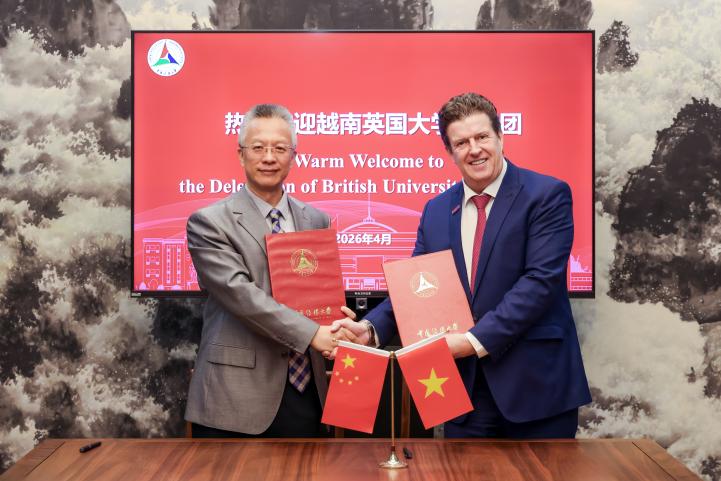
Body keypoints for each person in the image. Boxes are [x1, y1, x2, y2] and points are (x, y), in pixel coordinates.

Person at [333, 93, 591, 438]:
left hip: (535, 386)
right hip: (462, 389)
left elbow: (540, 283)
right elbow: (416, 287)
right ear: (449, 151)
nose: (475, 150)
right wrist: (369, 329)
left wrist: (471, 341)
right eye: (461, 143)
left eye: (482, 137)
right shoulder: (437, 209)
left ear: (500, 137)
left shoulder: (546, 195)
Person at [185, 103, 356, 437]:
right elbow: (241, 295)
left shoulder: (316, 220)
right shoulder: (209, 222)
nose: (268, 157)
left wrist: (338, 321)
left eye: (279, 149)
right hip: (237, 396)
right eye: (258, 147)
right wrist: (314, 334)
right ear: (241, 155)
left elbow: (319, 292)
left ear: (293, 157)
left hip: (307, 391)